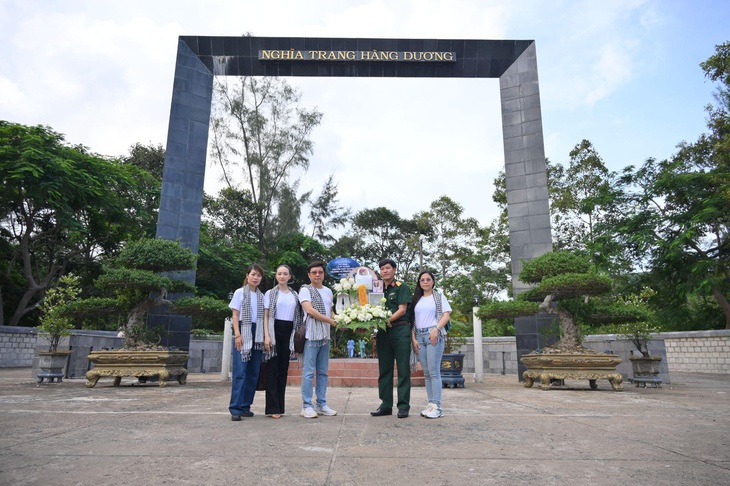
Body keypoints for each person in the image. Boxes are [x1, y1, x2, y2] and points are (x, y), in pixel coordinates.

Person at [371, 258, 412, 419]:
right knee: (385, 370)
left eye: (388, 268)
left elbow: (402, 309)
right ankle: (385, 405)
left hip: (400, 330)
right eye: (382, 269)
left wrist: (386, 321)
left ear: (394, 270)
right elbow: (372, 309)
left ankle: (403, 406)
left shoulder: (402, 287)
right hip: (383, 333)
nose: (385, 271)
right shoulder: (377, 288)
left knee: (403, 370)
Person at [263, 264, 304, 419]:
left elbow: (299, 316)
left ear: (289, 276)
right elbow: (266, 316)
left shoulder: (295, 295)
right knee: (272, 369)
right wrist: (267, 336)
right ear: (276, 276)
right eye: (279, 273)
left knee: (283, 370)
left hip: (289, 332)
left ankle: (280, 406)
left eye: (285, 273)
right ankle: (272, 408)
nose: (282, 276)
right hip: (274, 330)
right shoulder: (270, 293)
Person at [299, 261, 338, 419]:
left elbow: (331, 312)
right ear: (309, 275)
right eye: (314, 272)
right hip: (311, 335)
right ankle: (306, 405)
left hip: (325, 336)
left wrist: (342, 322)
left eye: (320, 272)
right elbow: (309, 310)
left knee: (323, 372)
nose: (317, 275)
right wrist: (330, 321)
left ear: (324, 274)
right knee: (308, 372)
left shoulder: (328, 291)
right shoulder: (305, 290)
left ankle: (321, 403)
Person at [411, 270, 451, 419]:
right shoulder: (417, 299)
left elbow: (446, 315)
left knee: (434, 372)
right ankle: (431, 404)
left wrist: (436, 329)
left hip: (433, 334)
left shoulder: (439, 297)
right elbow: (413, 321)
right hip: (419, 336)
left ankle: (437, 407)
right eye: (422, 280)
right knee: (427, 373)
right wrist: (413, 338)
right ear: (419, 283)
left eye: (428, 279)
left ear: (433, 281)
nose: (425, 282)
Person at [228, 264, 266, 421]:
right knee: (240, 372)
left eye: (258, 275)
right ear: (247, 275)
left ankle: (245, 406)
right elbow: (235, 315)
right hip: (243, 331)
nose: (255, 277)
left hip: (257, 334)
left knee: (253, 373)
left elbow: (264, 318)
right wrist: (237, 334)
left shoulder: (262, 296)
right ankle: (235, 408)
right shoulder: (239, 293)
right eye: (253, 274)